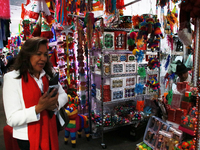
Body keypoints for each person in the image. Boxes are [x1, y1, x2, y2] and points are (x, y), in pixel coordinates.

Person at [3, 37, 68, 150]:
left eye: (45, 54)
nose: (43, 58)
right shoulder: (12, 78)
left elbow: (64, 96)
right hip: (27, 138)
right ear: (27, 55)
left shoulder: (49, 73)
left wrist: (55, 104)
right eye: (38, 54)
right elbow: (12, 118)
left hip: (51, 129)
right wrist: (38, 108)